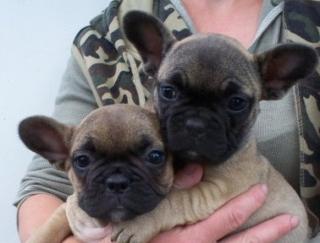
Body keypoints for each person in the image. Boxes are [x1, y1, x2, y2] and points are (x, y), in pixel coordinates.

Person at [15, 0, 320, 242]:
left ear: (274, 83)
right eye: (172, 93)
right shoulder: (103, 39)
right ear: (152, 61)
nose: (197, 123)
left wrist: (154, 220)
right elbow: (47, 184)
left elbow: (209, 197)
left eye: (235, 103)